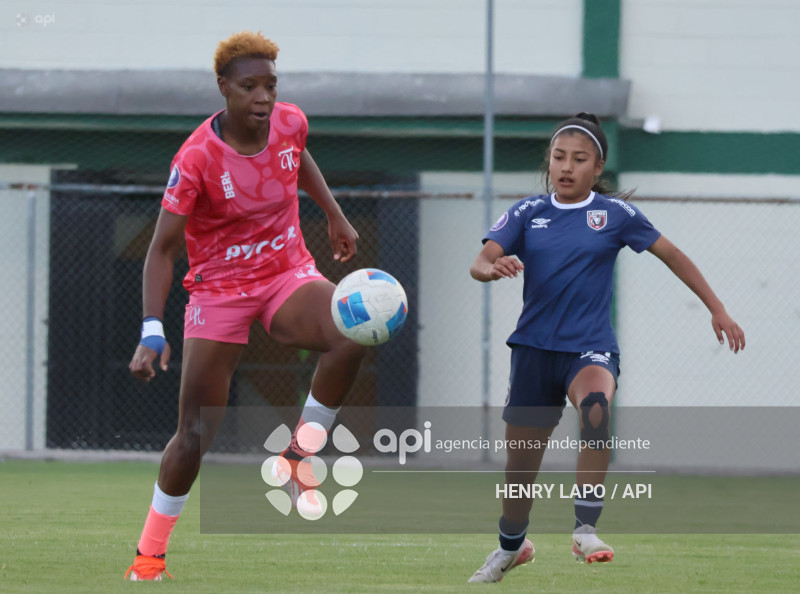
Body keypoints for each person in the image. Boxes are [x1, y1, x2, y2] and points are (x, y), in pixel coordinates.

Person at [124, 31, 366, 581]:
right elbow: (161, 250)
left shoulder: (290, 121)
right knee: (194, 433)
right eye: (250, 86)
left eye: (271, 86)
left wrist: (333, 212)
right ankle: (149, 556)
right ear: (223, 88)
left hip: (285, 272)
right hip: (219, 291)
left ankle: (298, 457)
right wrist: (151, 328)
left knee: (351, 330)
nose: (263, 97)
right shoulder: (196, 158)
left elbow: (297, 156)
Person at [466, 113, 745, 583]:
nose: (566, 167)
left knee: (596, 408)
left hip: (590, 348)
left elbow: (673, 255)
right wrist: (490, 269)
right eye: (559, 157)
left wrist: (717, 309)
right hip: (533, 349)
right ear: (549, 162)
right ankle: (512, 547)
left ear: (598, 168)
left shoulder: (616, 215)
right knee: (520, 466)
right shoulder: (527, 212)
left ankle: (585, 530)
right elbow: (480, 259)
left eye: (579, 159)